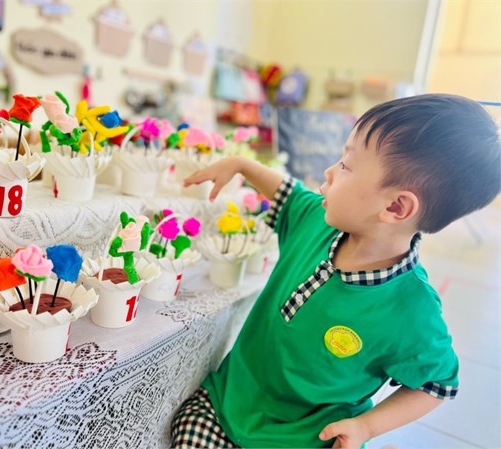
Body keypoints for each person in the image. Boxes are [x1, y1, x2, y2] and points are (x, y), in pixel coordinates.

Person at [171, 94, 501, 449]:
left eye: (346, 165)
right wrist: (241, 165)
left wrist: (366, 427)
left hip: (304, 440)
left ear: (395, 206)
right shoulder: (317, 220)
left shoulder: (412, 311)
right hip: (225, 405)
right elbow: (286, 192)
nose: (329, 172)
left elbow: (437, 385)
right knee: (186, 429)